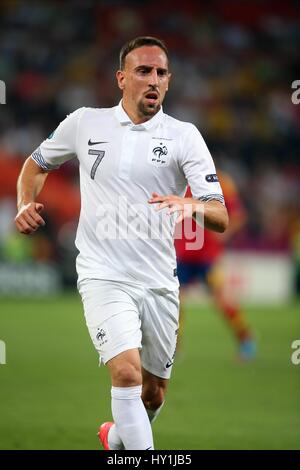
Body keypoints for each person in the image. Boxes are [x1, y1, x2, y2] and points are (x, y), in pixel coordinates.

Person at [14, 36, 228, 450]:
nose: (153, 80)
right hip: (103, 274)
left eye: (161, 73)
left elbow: (220, 215)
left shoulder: (185, 136)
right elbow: (36, 164)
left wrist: (192, 207)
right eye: (143, 71)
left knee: (153, 393)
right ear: (121, 78)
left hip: (158, 282)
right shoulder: (85, 123)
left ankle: (115, 439)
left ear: (168, 82)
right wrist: (25, 202)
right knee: (127, 374)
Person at [175, 172, 256, 360]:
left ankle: (245, 339)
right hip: (181, 255)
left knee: (223, 301)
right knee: (174, 302)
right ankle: (173, 347)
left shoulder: (220, 182)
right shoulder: (176, 179)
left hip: (207, 257)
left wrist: (225, 233)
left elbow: (238, 215)